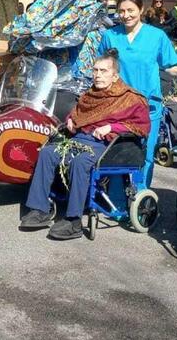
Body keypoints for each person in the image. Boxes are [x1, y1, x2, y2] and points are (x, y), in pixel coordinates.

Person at [20, 51, 151, 240]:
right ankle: (39, 209)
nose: (98, 75)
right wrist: (70, 120)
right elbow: (77, 113)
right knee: (48, 153)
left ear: (115, 76)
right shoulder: (90, 95)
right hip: (79, 139)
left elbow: (141, 127)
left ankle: (74, 222)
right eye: (95, 70)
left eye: (104, 71)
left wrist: (111, 127)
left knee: (80, 162)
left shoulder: (131, 98)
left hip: (107, 145)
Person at [99, 0, 177, 187]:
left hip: (148, 105)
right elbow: (101, 67)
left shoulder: (156, 36)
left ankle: (141, 197)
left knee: (146, 154)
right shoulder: (110, 36)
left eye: (130, 10)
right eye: (121, 11)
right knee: (117, 153)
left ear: (141, 10)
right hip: (118, 105)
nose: (126, 15)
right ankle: (117, 198)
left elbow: (168, 64)